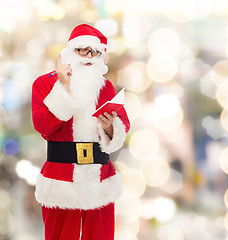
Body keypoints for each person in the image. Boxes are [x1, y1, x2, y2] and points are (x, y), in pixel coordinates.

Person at [31, 24, 130, 240]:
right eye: (81, 50)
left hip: (100, 181)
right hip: (61, 182)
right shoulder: (44, 84)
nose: (88, 56)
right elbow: (43, 127)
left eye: (93, 51)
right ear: (68, 52)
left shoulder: (106, 88)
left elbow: (123, 126)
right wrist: (63, 89)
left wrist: (109, 128)